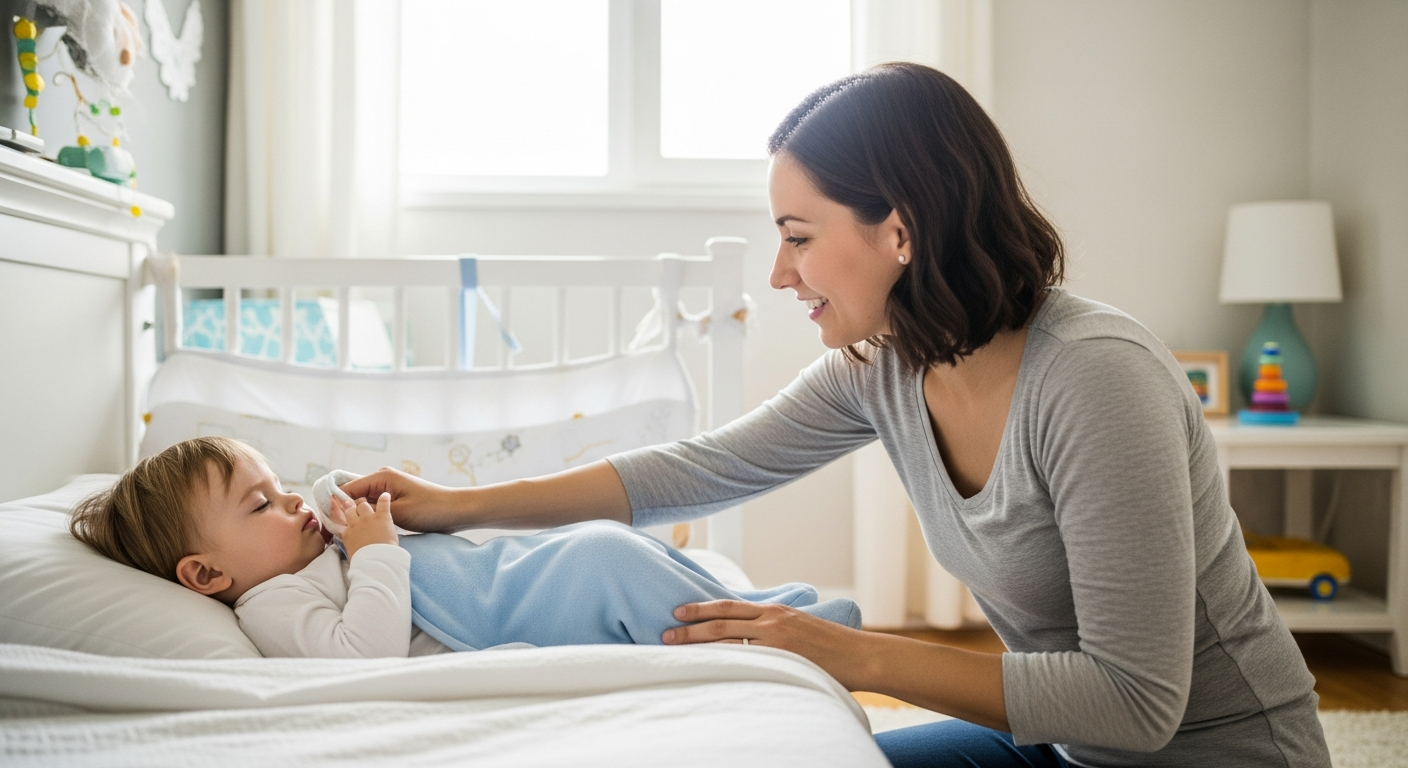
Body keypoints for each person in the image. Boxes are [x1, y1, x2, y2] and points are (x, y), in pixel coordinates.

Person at [341, 63, 1331, 766]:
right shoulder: (886, 367)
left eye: (798, 237)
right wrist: (452, 505)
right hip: (1061, 749)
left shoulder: (1094, 382)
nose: (780, 273)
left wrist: (840, 650)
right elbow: (690, 469)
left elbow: (1136, 703)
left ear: (898, 229)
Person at [68, 436, 859, 658]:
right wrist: (374, 551)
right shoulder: (274, 604)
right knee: (608, 566)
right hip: (499, 612)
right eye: (260, 506)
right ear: (206, 573)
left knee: (605, 546)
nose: (290, 507)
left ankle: (770, 612)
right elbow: (360, 655)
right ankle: (779, 636)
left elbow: (335, 493)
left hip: (499, 575)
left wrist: (337, 505)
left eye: (278, 489)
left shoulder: (308, 548)